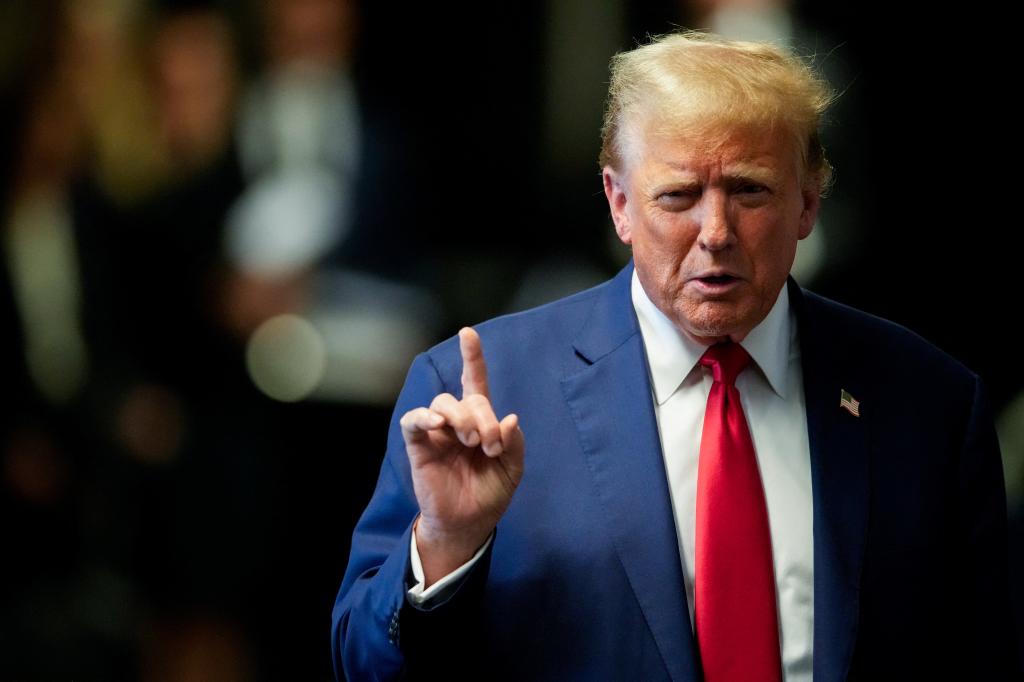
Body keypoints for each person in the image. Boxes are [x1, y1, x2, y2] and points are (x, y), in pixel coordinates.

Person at [331, 31, 1019, 681]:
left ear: (809, 202)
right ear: (619, 203)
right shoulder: (477, 391)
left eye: (749, 190)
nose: (715, 233)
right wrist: (447, 546)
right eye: (678, 196)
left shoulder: (931, 404)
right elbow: (360, 663)